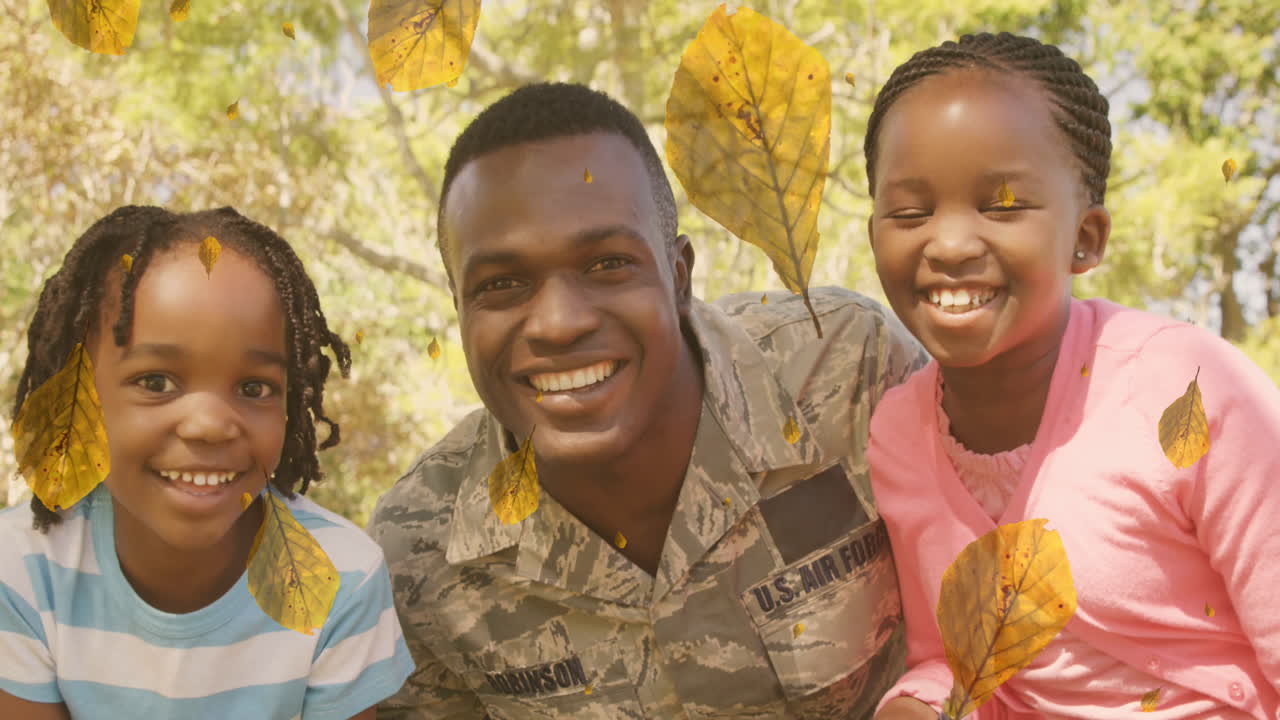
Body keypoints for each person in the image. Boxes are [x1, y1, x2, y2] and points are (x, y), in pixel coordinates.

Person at [367, 81, 927, 719]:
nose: (557, 323)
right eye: (503, 284)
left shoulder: (846, 371)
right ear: (460, 312)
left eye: (606, 264)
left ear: (679, 275)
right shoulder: (421, 553)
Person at [862, 32, 1280, 719]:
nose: (951, 243)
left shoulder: (1188, 392)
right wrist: (917, 703)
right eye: (911, 212)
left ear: (1085, 237)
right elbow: (954, 661)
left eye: (1002, 205)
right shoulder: (897, 435)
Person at [0, 207, 414, 719]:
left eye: (254, 388)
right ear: (78, 395)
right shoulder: (22, 569)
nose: (211, 424)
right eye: (156, 382)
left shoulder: (341, 575)